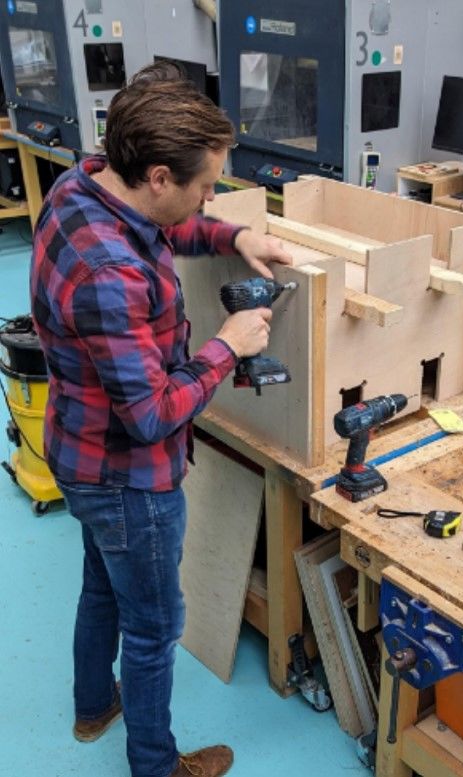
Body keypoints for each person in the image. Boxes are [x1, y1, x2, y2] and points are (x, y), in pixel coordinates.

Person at [30, 62, 292, 777]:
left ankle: (93, 706)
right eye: (204, 186)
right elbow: (149, 413)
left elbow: (166, 231)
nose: (210, 196)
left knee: (98, 585)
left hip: (75, 449)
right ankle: (156, 765)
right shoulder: (110, 275)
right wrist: (227, 344)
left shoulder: (81, 186)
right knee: (152, 629)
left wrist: (234, 236)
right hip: (126, 477)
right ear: (155, 176)